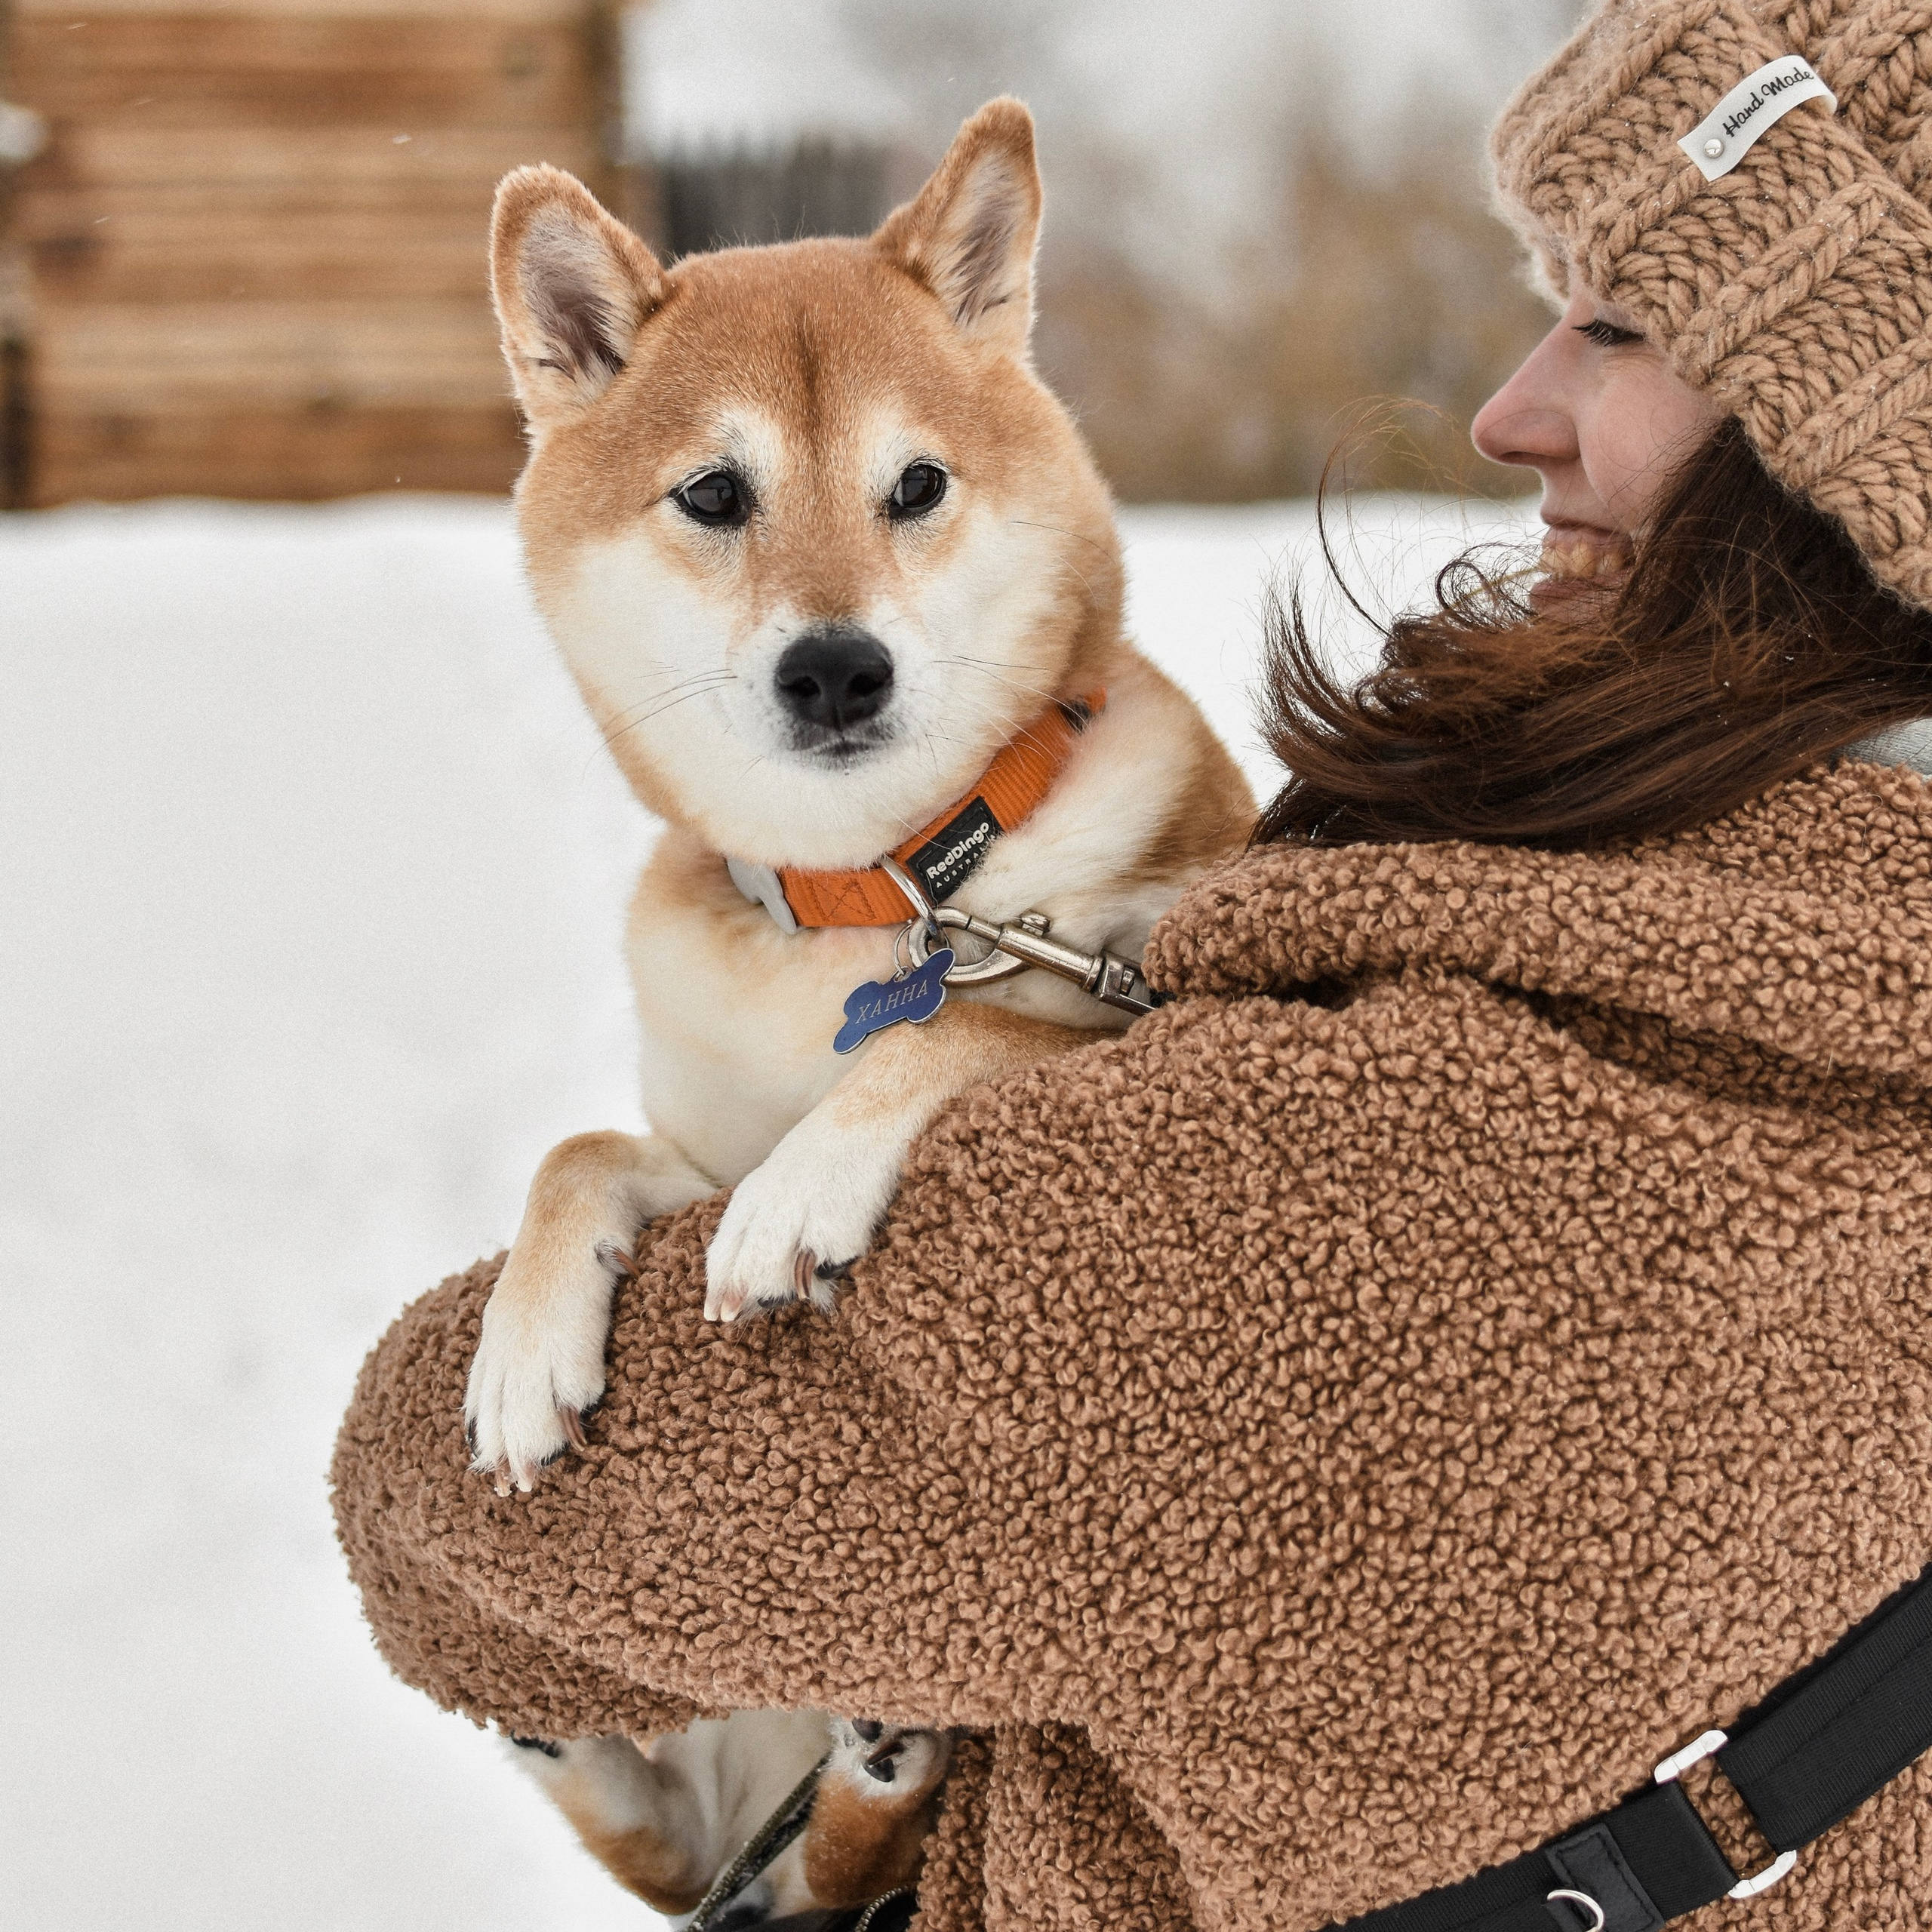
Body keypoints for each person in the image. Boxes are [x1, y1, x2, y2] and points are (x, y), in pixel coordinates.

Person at [333, 2, 1932, 1925]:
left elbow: (467, 1510)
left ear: (1846, 434)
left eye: (1614, 322)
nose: (1509, 406)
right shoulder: (1812, 973)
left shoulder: (1384, 1167)